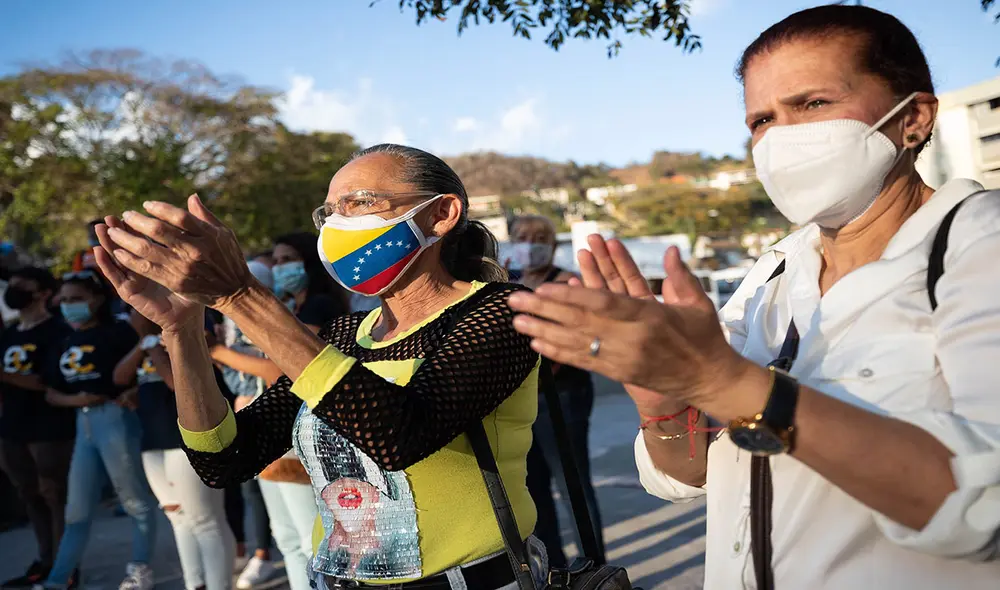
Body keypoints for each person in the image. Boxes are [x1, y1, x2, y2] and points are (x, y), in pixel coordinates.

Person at [507, 5, 1000, 589]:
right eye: (761, 120)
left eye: (813, 104)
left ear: (914, 118)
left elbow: (983, 506)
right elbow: (690, 474)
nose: (781, 138)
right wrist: (661, 399)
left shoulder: (977, 244)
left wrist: (721, 380)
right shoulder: (775, 272)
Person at [94, 143, 546, 589]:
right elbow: (224, 462)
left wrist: (240, 296)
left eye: (361, 203)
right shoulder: (342, 335)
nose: (338, 223)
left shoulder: (503, 310)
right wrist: (182, 331)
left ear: (441, 214)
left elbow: (401, 436)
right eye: (329, 211)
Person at [212, 236, 346, 590]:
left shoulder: (320, 306)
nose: (280, 267)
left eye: (289, 259)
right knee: (287, 539)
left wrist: (218, 352)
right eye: (277, 260)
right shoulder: (294, 307)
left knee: (310, 540)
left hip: (305, 429)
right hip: (281, 431)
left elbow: (282, 369)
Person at [37, 271, 157, 590]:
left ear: (97, 299)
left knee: (135, 502)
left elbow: (142, 368)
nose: (68, 306)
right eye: (64, 300)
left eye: (76, 299)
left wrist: (131, 393)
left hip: (115, 418)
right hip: (83, 421)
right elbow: (50, 391)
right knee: (76, 510)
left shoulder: (117, 331)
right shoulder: (63, 338)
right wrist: (77, 399)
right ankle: (57, 580)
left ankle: (141, 570)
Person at [113, 309, 237, 590]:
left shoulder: (186, 327)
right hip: (153, 441)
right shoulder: (144, 342)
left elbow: (174, 381)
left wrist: (153, 347)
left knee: (205, 520)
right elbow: (120, 377)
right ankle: (195, 584)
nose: (132, 314)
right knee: (178, 518)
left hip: (189, 440)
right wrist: (143, 344)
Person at [508, 215, 605, 567]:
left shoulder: (567, 283)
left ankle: (594, 567)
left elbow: (578, 338)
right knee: (532, 490)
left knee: (572, 485)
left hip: (562, 397)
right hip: (521, 399)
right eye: (523, 236)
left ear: (552, 244)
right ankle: (553, 570)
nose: (531, 243)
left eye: (540, 237)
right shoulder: (507, 281)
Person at [0, 268, 74, 588]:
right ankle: (45, 560)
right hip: (12, 427)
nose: (13, 290)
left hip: (49, 426)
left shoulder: (57, 330)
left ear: (43, 293)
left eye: (21, 285)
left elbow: (46, 382)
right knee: (29, 495)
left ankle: (65, 565)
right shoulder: (9, 334)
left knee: (54, 494)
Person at [217, 261, 280, 589]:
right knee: (251, 489)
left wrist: (223, 354)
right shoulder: (230, 319)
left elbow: (273, 367)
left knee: (283, 491)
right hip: (245, 407)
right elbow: (234, 373)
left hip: (277, 410)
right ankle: (261, 551)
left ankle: (263, 553)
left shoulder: (276, 312)